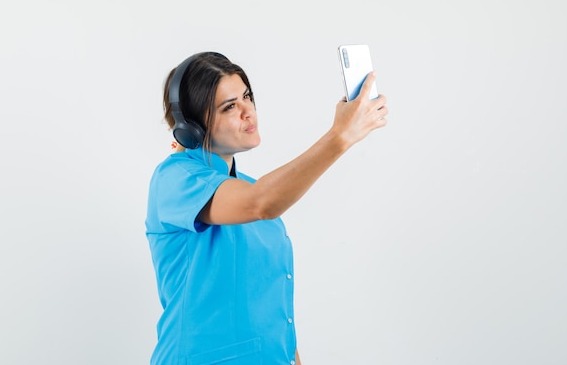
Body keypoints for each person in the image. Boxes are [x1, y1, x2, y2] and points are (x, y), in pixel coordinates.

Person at [145, 52, 388, 365]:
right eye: (230, 106)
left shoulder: (249, 187)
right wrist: (339, 137)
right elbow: (261, 203)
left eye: (247, 96)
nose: (249, 112)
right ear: (192, 127)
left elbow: (273, 311)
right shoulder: (174, 178)